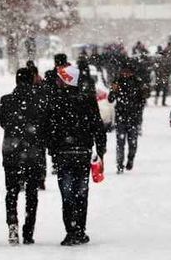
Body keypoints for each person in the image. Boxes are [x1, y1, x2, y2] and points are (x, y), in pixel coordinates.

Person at [45, 64, 107, 246]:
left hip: (63, 153)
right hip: (83, 152)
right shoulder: (87, 100)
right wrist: (100, 152)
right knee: (81, 192)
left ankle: (71, 230)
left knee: (67, 194)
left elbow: (49, 128)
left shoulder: (55, 100)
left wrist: (52, 150)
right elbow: (98, 127)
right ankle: (80, 229)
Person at [0, 68, 49, 245]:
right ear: (32, 80)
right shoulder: (40, 100)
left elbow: (3, 123)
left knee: (11, 191)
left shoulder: (6, 100)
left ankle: (12, 224)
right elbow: (44, 125)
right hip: (33, 152)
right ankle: (28, 230)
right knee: (31, 192)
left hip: (11, 150)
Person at [108, 60, 145, 173]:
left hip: (133, 117)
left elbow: (143, 100)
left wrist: (138, 112)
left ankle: (130, 159)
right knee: (120, 143)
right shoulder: (117, 82)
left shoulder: (137, 82)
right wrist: (113, 91)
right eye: (123, 72)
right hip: (121, 117)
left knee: (132, 143)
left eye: (128, 72)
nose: (125, 74)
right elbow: (110, 99)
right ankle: (119, 164)